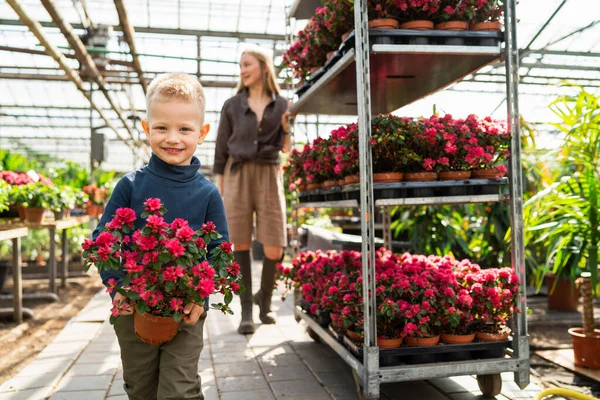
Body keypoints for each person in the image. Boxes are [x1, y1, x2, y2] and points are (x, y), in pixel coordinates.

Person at [93, 73, 227, 400]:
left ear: (203, 133)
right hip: (132, 308)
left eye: (184, 129)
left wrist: (199, 298)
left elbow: (220, 251)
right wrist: (117, 287)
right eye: (161, 128)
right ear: (146, 129)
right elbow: (103, 240)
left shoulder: (208, 194)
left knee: (178, 389)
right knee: (140, 388)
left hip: (186, 311)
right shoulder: (130, 185)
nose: (173, 138)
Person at [213, 48, 292, 334]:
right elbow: (221, 147)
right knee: (241, 241)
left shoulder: (282, 104)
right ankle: (247, 309)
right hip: (237, 172)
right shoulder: (232, 105)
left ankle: (265, 299)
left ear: (263, 67)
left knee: (274, 244)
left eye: (247, 64)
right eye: (240, 65)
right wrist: (219, 186)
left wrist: (287, 127)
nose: (242, 70)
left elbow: (286, 149)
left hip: (270, 172)